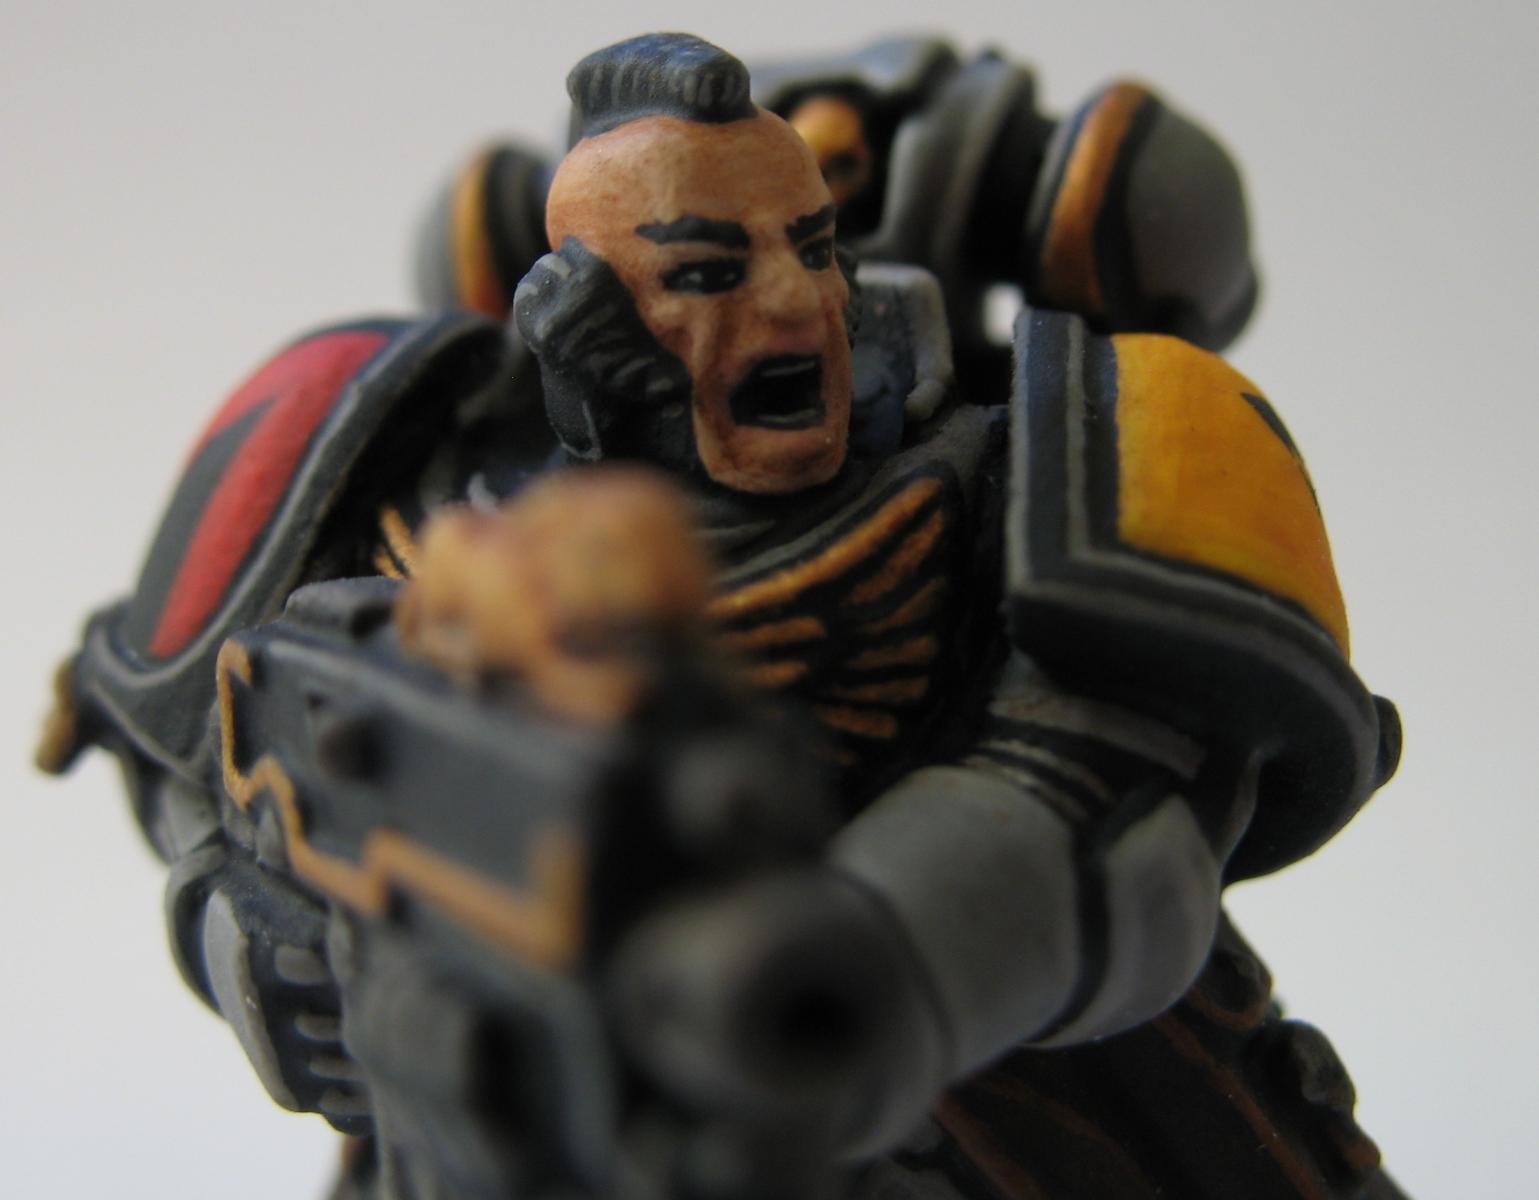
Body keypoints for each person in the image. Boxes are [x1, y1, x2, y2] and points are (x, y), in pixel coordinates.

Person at [41, 32, 1404, 1200]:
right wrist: (252, 950)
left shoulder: (1044, 455)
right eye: (706, 269)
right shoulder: (413, 482)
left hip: (983, 1120)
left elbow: (1128, 805)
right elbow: (187, 763)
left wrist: (864, 978)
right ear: (574, 312)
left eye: (814, 247)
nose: (798, 304)